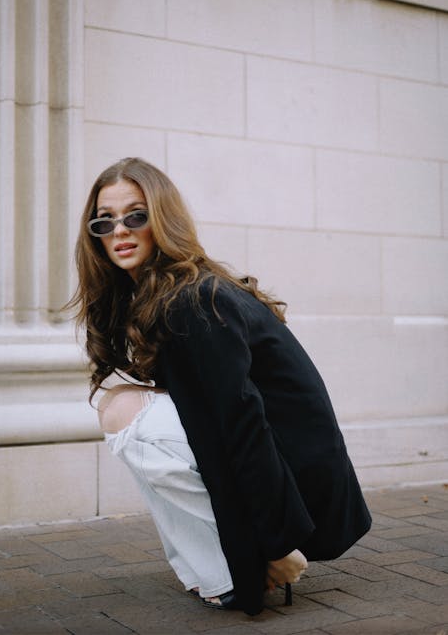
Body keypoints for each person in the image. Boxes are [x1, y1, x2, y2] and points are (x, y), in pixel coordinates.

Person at [69, 157, 372, 616]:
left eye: (136, 215)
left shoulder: (193, 300)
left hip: (299, 483)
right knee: (120, 404)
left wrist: (275, 541)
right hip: (281, 464)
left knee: (126, 414)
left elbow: (240, 421)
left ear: (161, 219)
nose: (121, 231)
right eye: (104, 221)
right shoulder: (164, 292)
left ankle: (238, 567)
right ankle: (212, 567)